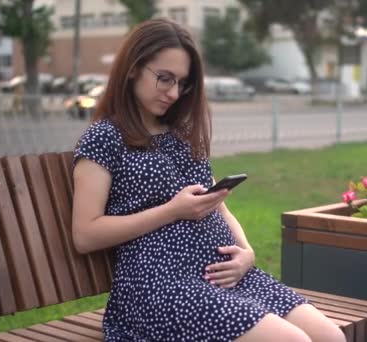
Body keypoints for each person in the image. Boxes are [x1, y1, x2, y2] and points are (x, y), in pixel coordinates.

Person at [72, 18, 345, 342]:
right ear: (133, 68)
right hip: (159, 284)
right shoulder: (105, 137)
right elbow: (85, 234)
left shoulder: (182, 136)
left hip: (224, 275)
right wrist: (171, 211)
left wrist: (247, 254)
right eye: (164, 78)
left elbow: (220, 210)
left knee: (331, 337)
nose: (174, 93)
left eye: (182, 83)